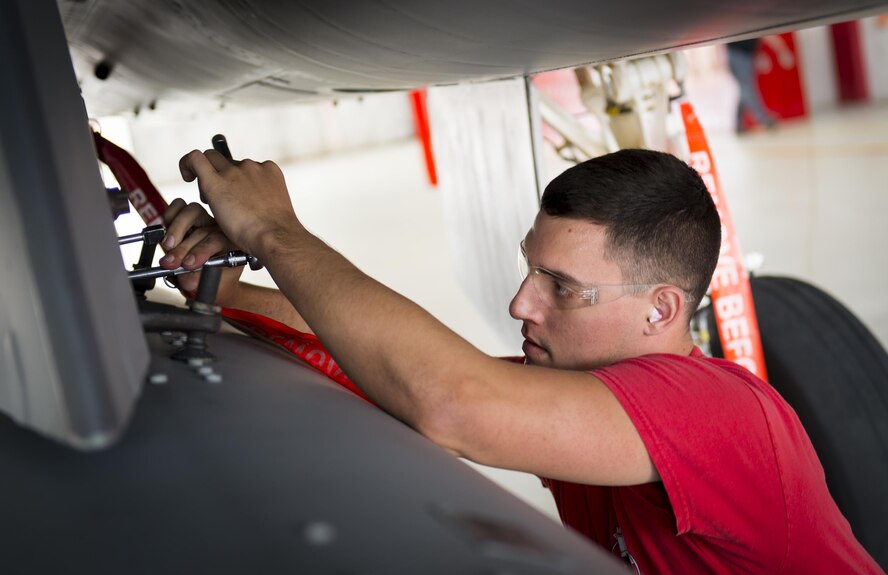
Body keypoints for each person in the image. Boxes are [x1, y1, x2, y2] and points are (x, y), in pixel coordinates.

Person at [161, 148, 882, 573]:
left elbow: (454, 401)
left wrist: (276, 231)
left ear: (661, 309)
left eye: (560, 287)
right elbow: (392, 372)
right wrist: (223, 287)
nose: (520, 303)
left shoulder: (712, 410)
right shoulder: (589, 396)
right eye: (531, 269)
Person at [726, 39, 776, 134]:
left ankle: (738, 124)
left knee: (743, 89)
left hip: (742, 52)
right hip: (740, 52)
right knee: (746, 88)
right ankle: (763, 118)